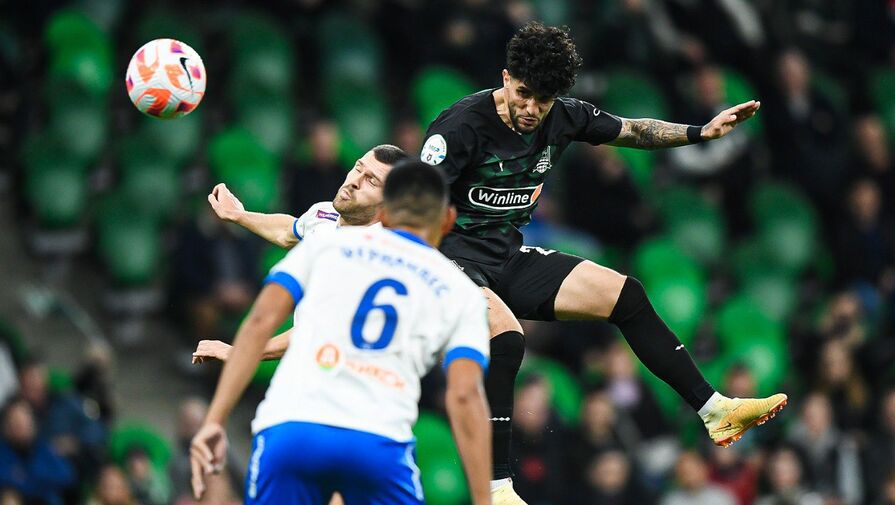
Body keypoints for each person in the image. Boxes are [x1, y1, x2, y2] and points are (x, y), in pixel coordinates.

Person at [418, 21, 786, 503]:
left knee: (625, 295)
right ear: (506, 78)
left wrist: (702, 132)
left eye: (543, 100)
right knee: (507, 338)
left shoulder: (564, 116)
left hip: (503, 257)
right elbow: (413, 206)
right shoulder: (460, 126)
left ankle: (715, 411)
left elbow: (633, 130)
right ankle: (496, 488)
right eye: (523, 94)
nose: (531, 109)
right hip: (447, 261)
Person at [190, 162, 492, 505]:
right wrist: (483, 500)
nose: (356, 180)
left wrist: (215, 420)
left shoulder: (329, 245)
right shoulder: (460, 291)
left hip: (292, 426)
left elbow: (260, 320)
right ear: (448, 220)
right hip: (378, 440)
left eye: (371, 179)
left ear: (384, 213)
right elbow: (465, 395)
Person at [191, 144, 409, 363]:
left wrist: (241, 352)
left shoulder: (372, 255)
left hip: (350, 372)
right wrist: (239, 215)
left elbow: (318, 327)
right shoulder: (325, 214)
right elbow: (288, 232)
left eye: (371, 181)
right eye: (358, 168)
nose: (354, 181)